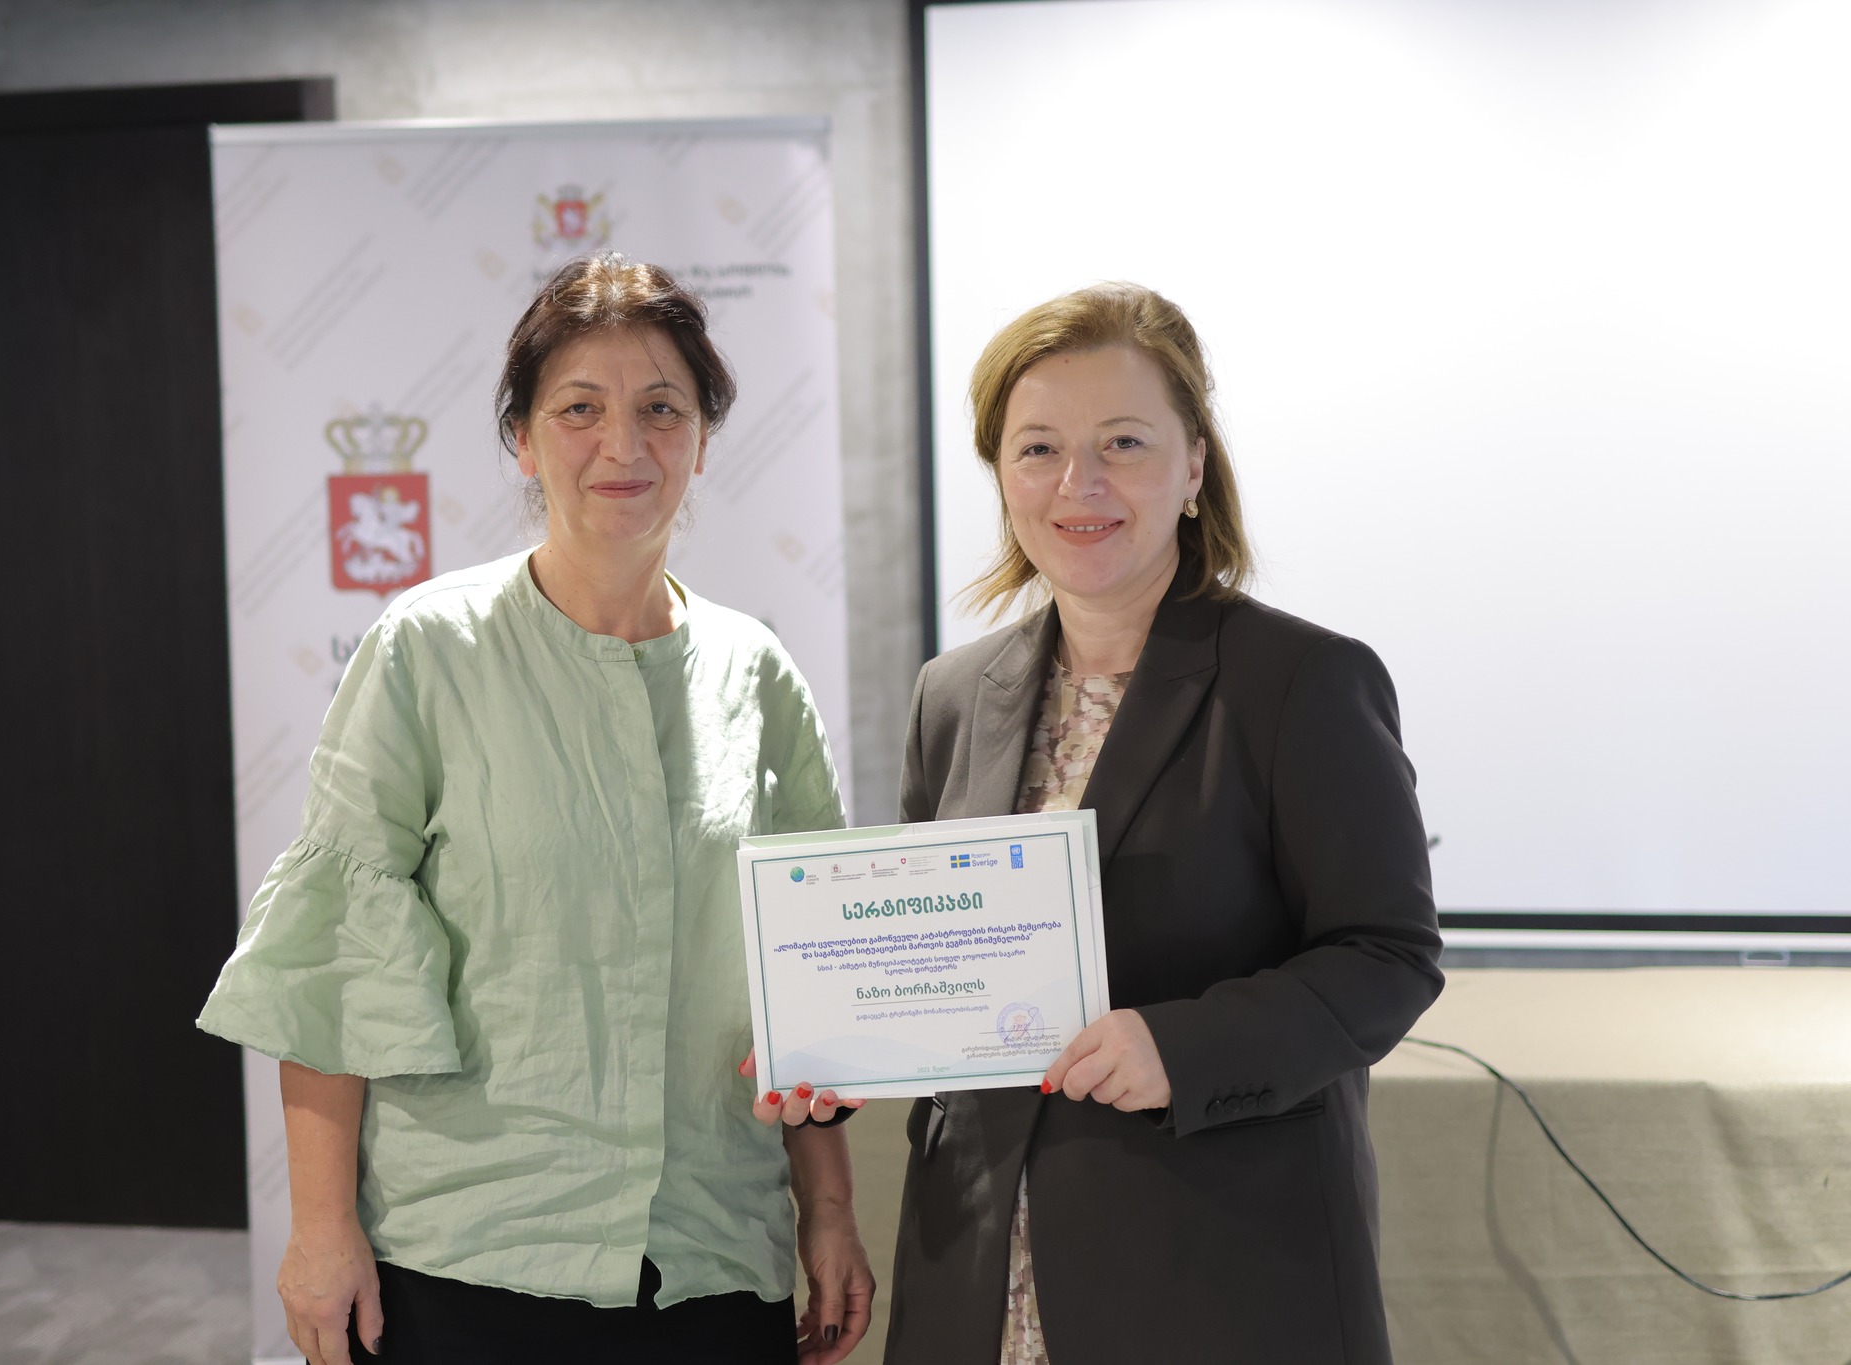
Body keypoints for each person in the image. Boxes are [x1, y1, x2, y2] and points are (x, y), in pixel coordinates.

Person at [197, 253, 872, 1365]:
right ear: (522, 437)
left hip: (710, 1254)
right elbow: (337, 958)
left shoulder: (754, 671)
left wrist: (830, 1212)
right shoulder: (427, 651)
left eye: (663, 409)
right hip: (469, 1255)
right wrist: (319, 1228)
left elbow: (810, 976)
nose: (624, 445)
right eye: (579, 409)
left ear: (703, 440)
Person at [882, 283, 1442, 1365]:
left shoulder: (1301, 682)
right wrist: (838, 1046)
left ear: (1193, 466)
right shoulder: (951, 696)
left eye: (1123, 443)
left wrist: (1179, 1047)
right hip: (980, 1287)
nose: (1077, 483)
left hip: (1214, 1284)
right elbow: (935, 966)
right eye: (1038, 448)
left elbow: (1387, 956)